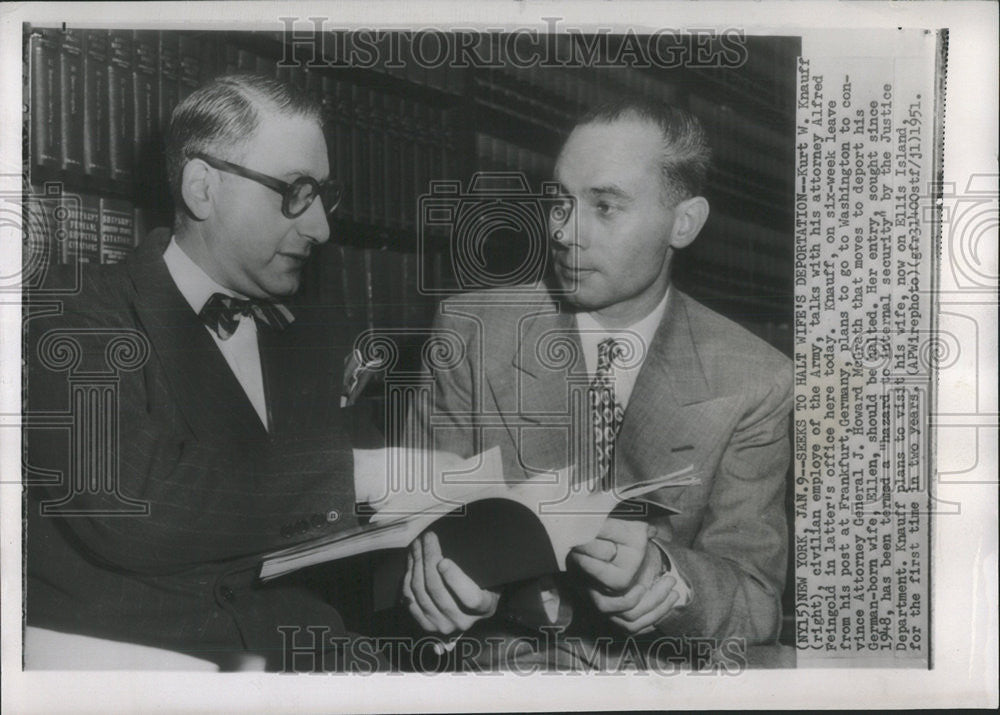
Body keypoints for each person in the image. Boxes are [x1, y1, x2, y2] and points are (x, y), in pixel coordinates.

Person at [403, 98, 793, 669]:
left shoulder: (756, 378)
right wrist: (437, 586)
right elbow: (408, 531)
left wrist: (669, 581)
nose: (563, 232)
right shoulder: (471, 331)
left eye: (604, 206)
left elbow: (755, 599)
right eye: (559, 202)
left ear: (683, 223)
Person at [24, 74, 371, 671]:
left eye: (322, 197)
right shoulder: (73, 315)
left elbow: (343, 546)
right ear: (202, 188)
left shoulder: (316, 328)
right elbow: (130, 502)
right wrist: (361, 475)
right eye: (295, 192)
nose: (320, 228)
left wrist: (436, 564)